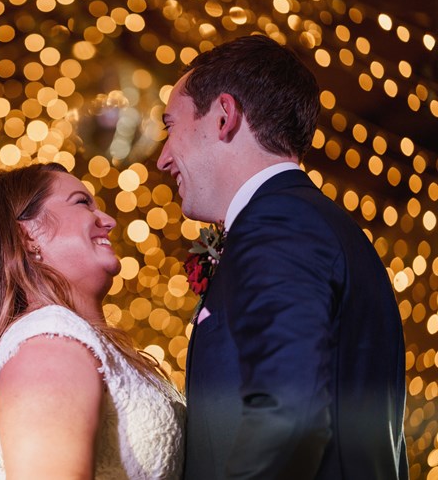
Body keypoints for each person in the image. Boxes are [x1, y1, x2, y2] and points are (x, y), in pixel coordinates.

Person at [156, 34, 408, 479]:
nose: (162, 158)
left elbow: (288, 415)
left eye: (169, 126)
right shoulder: (311, 221)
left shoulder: (279, 222)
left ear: (223, 117)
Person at [0, 162, 185, 479]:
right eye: (82, 202)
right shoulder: (48, 345)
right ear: (26, 237)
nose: (108, 221)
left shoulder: (71, 340)